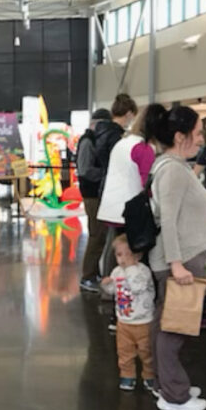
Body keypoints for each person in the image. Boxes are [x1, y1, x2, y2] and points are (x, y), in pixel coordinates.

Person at [149, 105, 206, 410]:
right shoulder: (173, 170)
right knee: (173, 329)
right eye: (197, 133)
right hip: (180, 261)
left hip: (184, 258)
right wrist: (176, 264)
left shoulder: (176, 166)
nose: (201, 139)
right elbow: (171, 221)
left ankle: (170, 386)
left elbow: (187, 213)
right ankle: (174, 395)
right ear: (180, 136)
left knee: (170, 325)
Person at [97, 104, 163, 277]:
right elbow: (148, 184)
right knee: (131, 260)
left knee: (116, 253)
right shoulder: (143, 148)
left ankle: (112, 289)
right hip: (131, 213)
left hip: (114, 208)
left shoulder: (124, 142)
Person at [100, 234, 156, 393]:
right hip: (123, 321)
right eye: (119, 255)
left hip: (143, 321)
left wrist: (131, 268)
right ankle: (127, 375)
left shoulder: (142, 271)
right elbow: (114, 292)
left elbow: (137, 287)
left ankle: (149, 375)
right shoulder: (117, 271)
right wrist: (107, 286)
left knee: (147, 351)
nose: (124, 259)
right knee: (124, 352)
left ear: (138, 255)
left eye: (129, 254)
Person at [77, 108, 112, 292]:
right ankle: (87, 276)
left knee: (100, 236)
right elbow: (85, 170)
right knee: (96, 235)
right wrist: (107, 173)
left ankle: (93, 273)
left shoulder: (95, 140)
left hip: (97, 194)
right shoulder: (88, 141)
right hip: (92, 195)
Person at [94, 94, 138, 192]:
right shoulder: (116, 136)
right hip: (116, 186)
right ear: (129, 114)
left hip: (105, 184)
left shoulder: (102, 131)